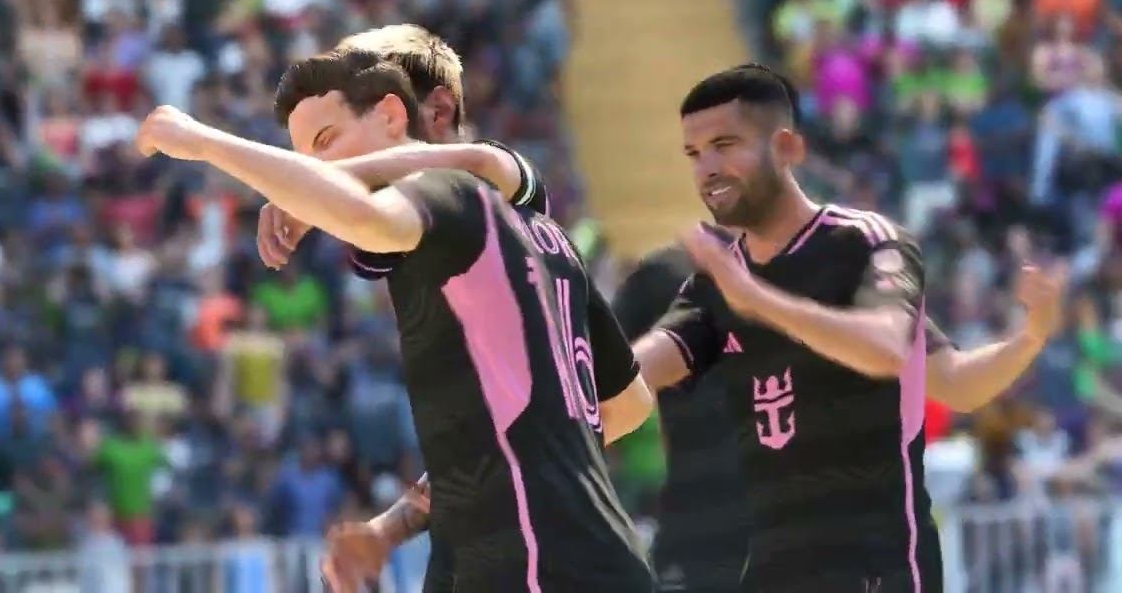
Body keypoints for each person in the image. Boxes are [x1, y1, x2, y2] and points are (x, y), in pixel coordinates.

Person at [135, 51, 655, 592]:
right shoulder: (548, 240)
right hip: (563, 554)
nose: (313, 173)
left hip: (537, 562)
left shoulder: (445, 192)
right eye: (306, 161)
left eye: (325, 143)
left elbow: (364, 212)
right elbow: (626, 403)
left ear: (389, 115)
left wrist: (202, 143)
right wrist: (397, 523)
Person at [630, 64, 1064, 592]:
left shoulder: (866, 243)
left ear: (785, 148)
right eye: (695, 154)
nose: (708, 169)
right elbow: (630, 375)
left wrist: (1029, 339)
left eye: (724, 145)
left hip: (879, 569)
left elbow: (928, 369)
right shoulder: (716, 285)